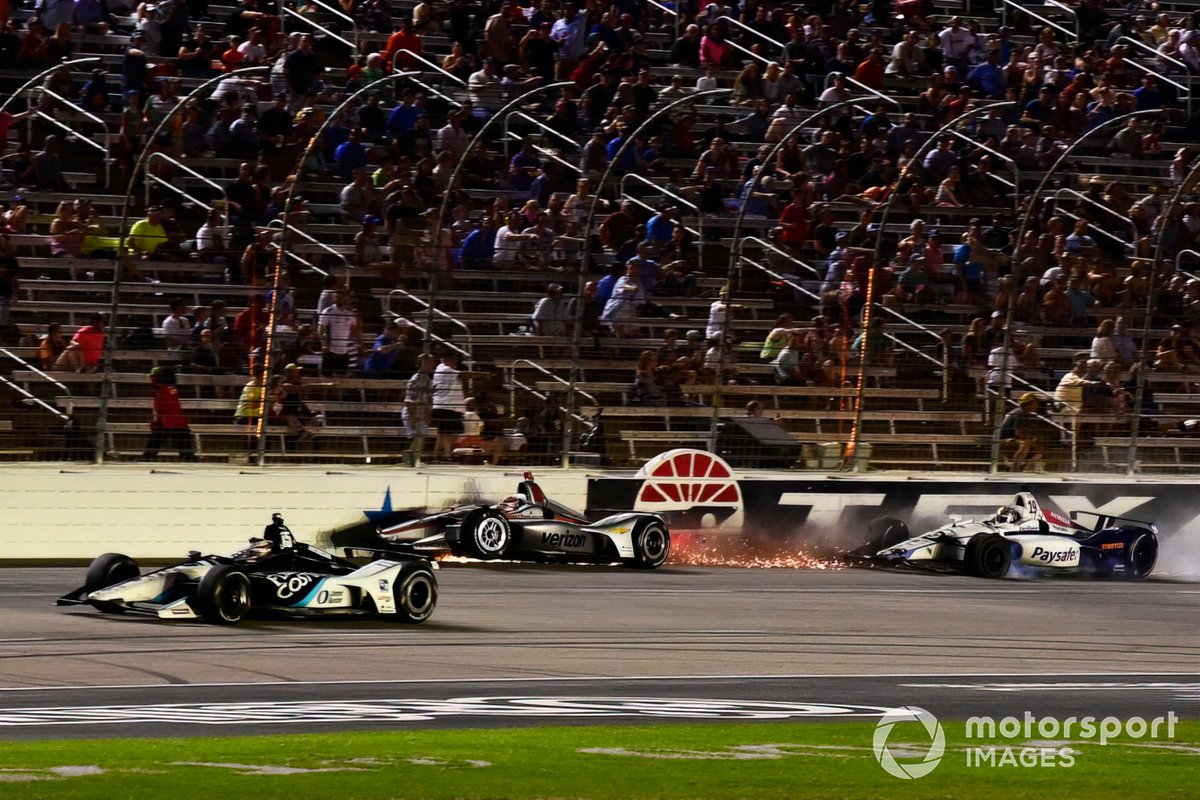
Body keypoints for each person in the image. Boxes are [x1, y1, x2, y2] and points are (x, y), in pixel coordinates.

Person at [142, 366, 197, 462]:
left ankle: (148, 457)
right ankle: (148, 457)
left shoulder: (165, 391)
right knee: (184, 448)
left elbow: (165, 408)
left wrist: (157, 422)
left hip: (170, 423)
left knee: (156, 440)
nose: (151, 380)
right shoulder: (169, 389)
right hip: (175, 422)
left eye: (154, 377)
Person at [998, 392, 1045, 472]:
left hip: (1011, 440)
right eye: (1035, 403)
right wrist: (1031, 443)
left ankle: (1025, 467)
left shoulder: (1023, 413)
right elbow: (1018, 433)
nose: (1037, 405)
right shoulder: (1020, 413)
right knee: (1025, 445)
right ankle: (1015, 469)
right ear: (1029, 404)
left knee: (1038, 450)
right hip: (1004, 441)